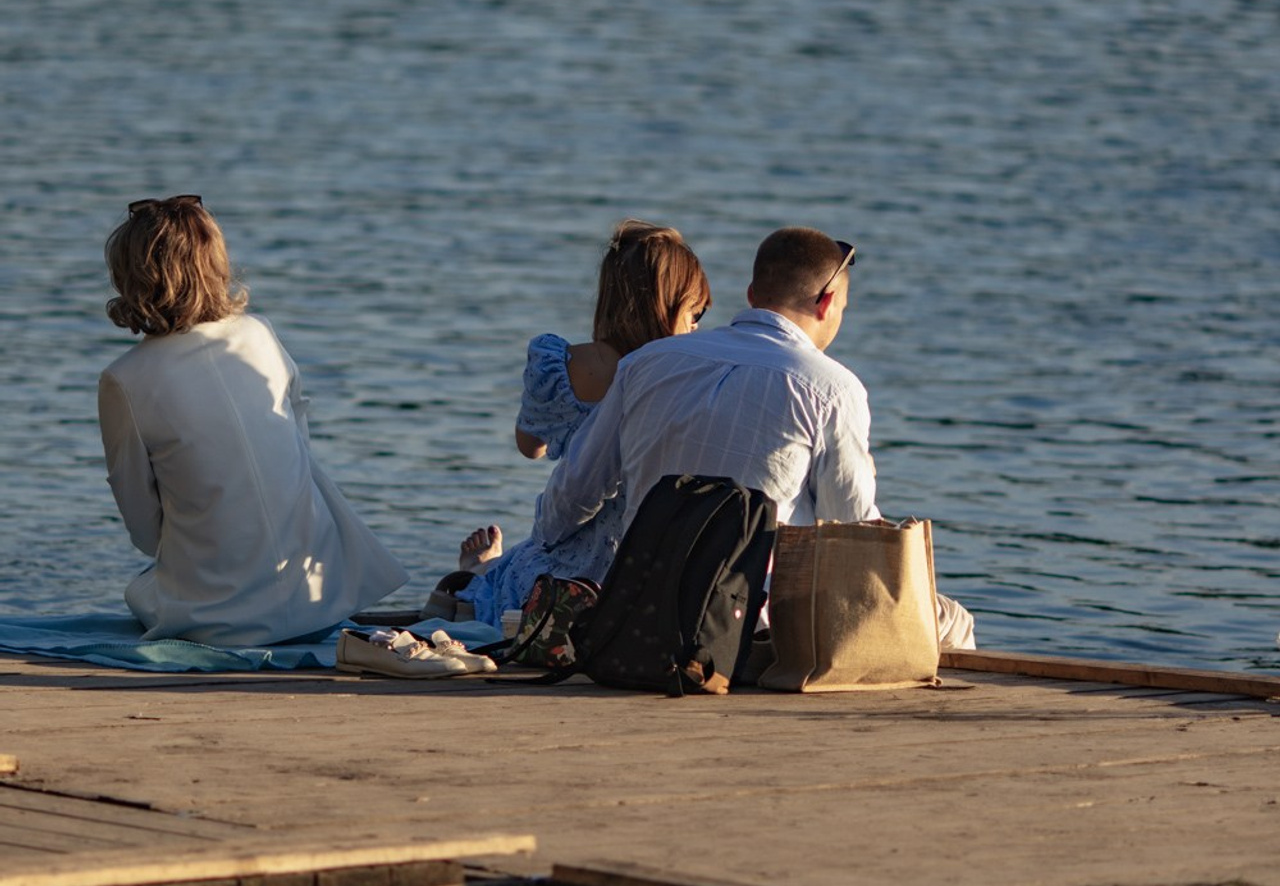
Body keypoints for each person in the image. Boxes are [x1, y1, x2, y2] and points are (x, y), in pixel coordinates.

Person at [535, 226, 975, 649]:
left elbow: (570, 498)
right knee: (954, 621)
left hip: (641, 611)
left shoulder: (647, 363)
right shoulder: (832, 388)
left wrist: (545, 553)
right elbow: (851, 531)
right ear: (827, 303)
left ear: (751, 296)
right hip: (758, 624)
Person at [97, 195, 407, 647]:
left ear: (129, 277)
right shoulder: (258, 333)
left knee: (145, 589)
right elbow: (299, 446)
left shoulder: (124, 379)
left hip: (219, 621)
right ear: (216, 265)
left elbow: (144, 529)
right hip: (319, 597)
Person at [441, 220, 712, 629]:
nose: (696, 326)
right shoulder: (689, 379)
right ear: (667, 307)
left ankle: (479, 573)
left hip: (574, 549)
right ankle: (483, 574)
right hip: (648, 557)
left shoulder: (558, 364)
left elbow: (530, 444)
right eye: (694, 313)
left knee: (517, 575)